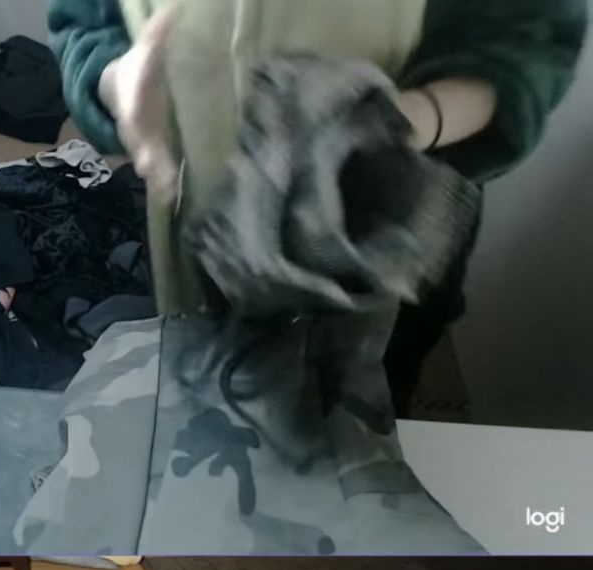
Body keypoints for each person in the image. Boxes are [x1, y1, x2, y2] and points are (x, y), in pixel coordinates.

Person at [49, 0, 587, 415]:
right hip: (191, 227)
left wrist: (401, 121)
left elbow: (528, 36)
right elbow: (85, 19)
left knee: (351, 434)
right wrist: (116, 81)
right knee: (210, 423)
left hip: (379, 235)